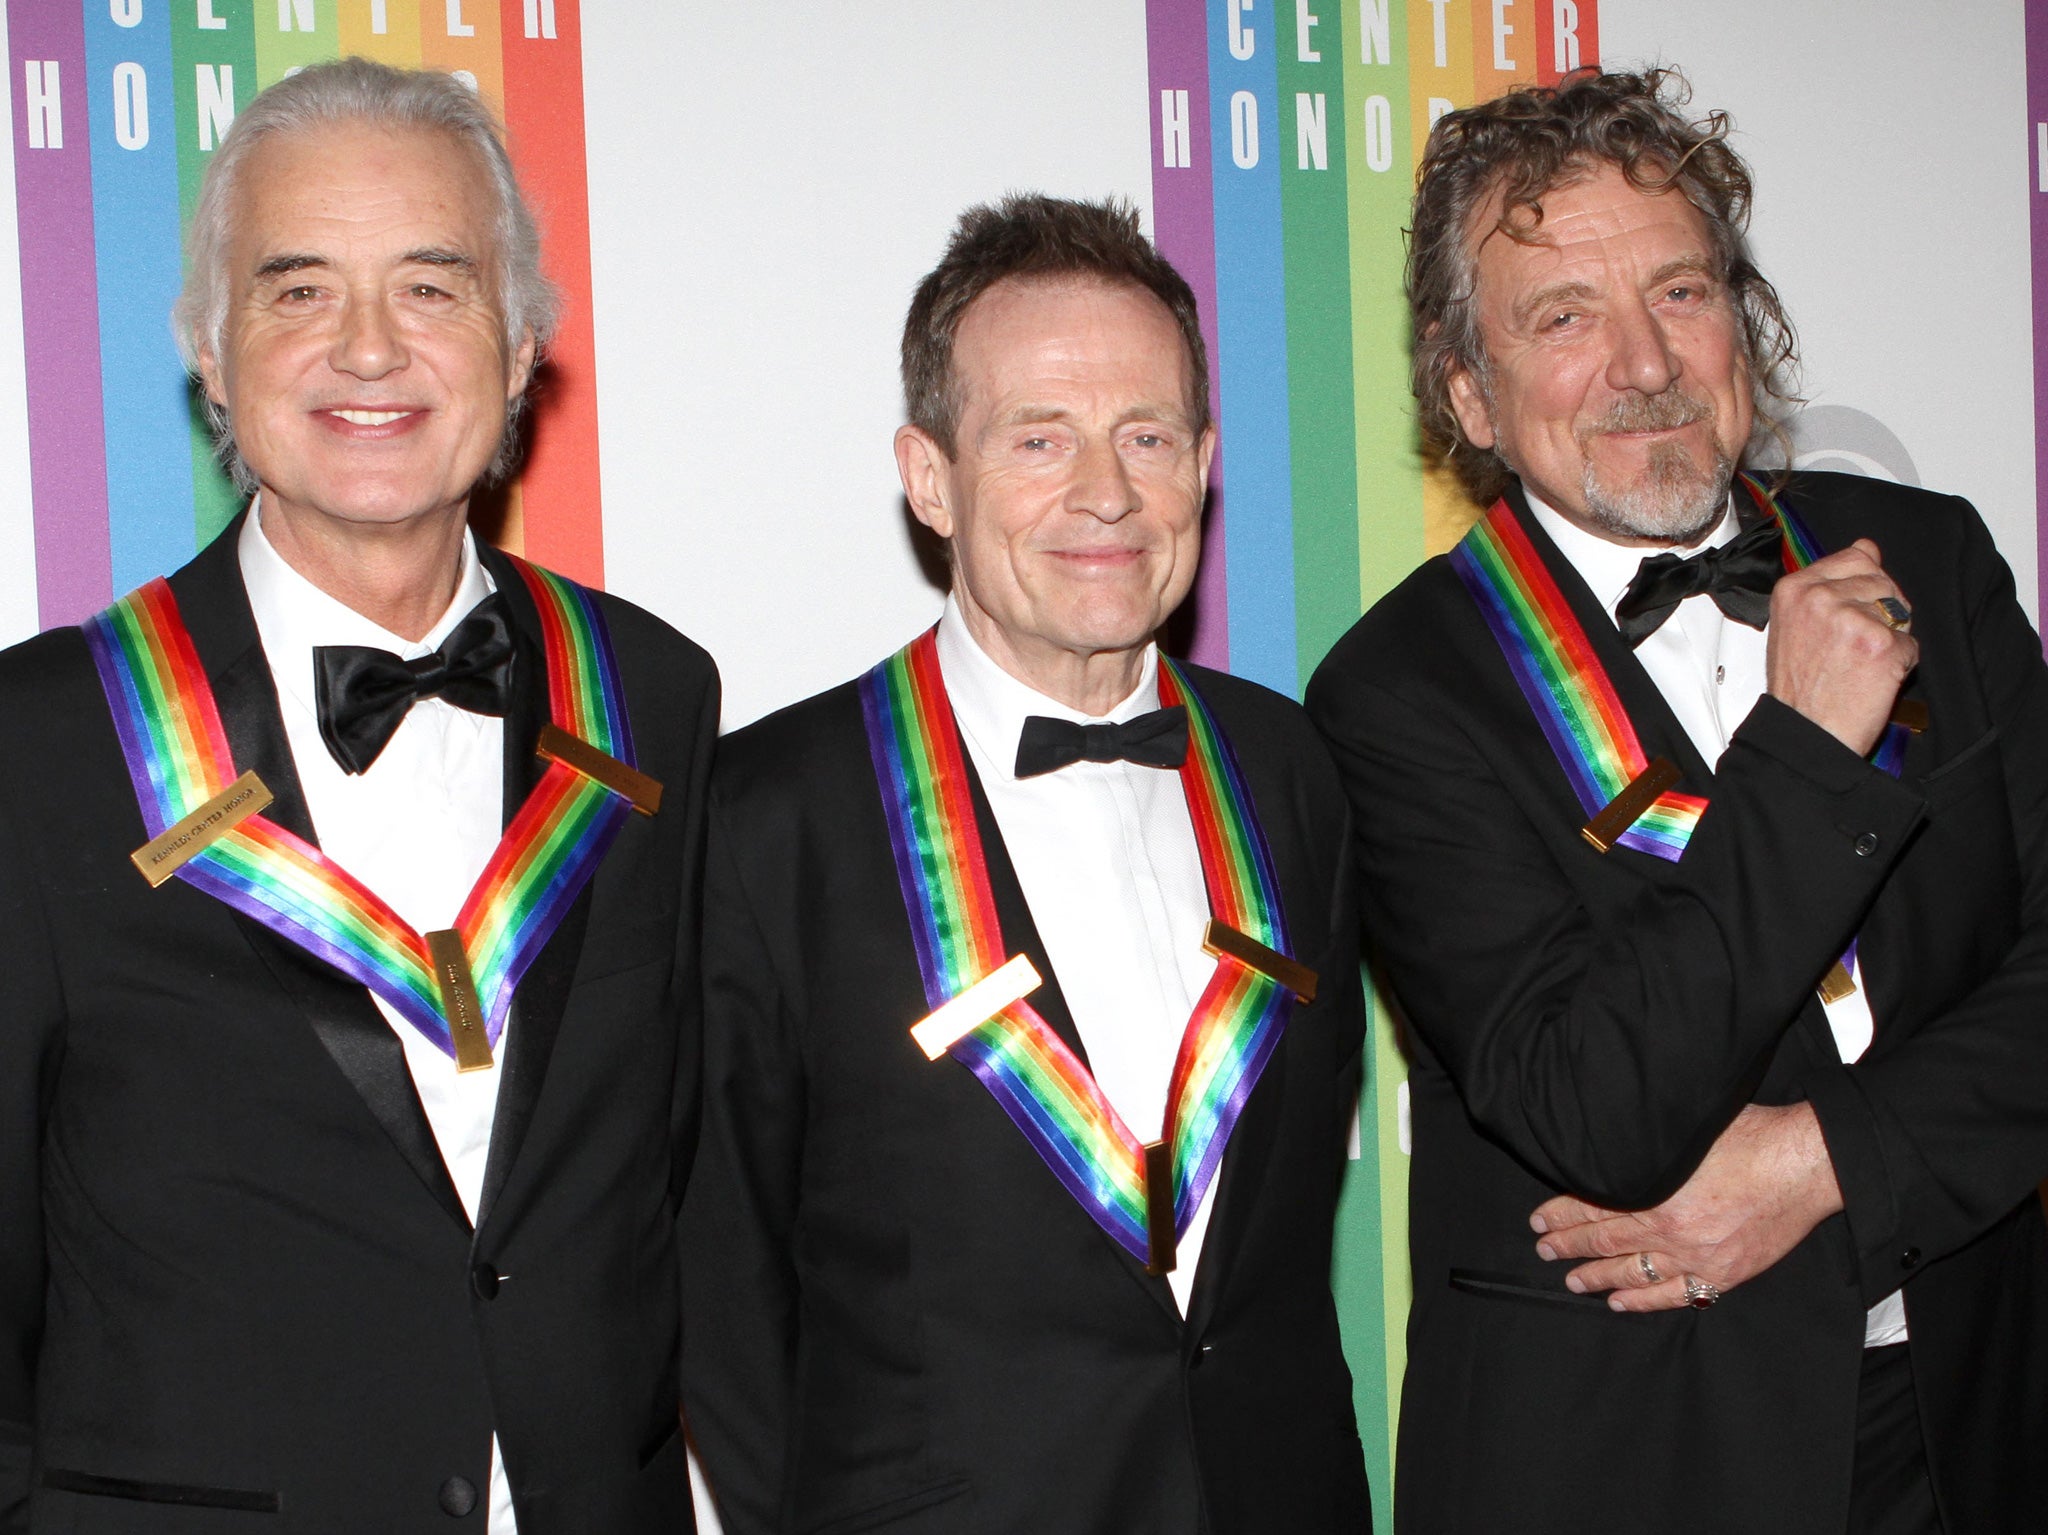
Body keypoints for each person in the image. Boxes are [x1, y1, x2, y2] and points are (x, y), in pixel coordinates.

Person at [1306, 66, 2048, 1533]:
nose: (1644, 363)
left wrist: (1827, 1160)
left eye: (1683, 292)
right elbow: (1599, 1099)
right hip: (1625, 1460)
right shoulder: (1395, 696)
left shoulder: (1928, 561)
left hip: (1971, 1429)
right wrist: (1812, 751)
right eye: (1563, 319)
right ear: (1470, 390)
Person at [0, 60, 716, 1531]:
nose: (371, 350)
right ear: (212, 352)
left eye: (433, 288)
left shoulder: (655, 696)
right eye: (299, 290)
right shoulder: (38, 744)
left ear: (522, 349)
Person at [680, 194, 1370, 1534]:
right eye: (1037, 439)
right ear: (930, 476)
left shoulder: (1295, 775)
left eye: (1147, 438)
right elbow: (720, 1291)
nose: (1105, 494)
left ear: (1207, 461)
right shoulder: (769, 816)